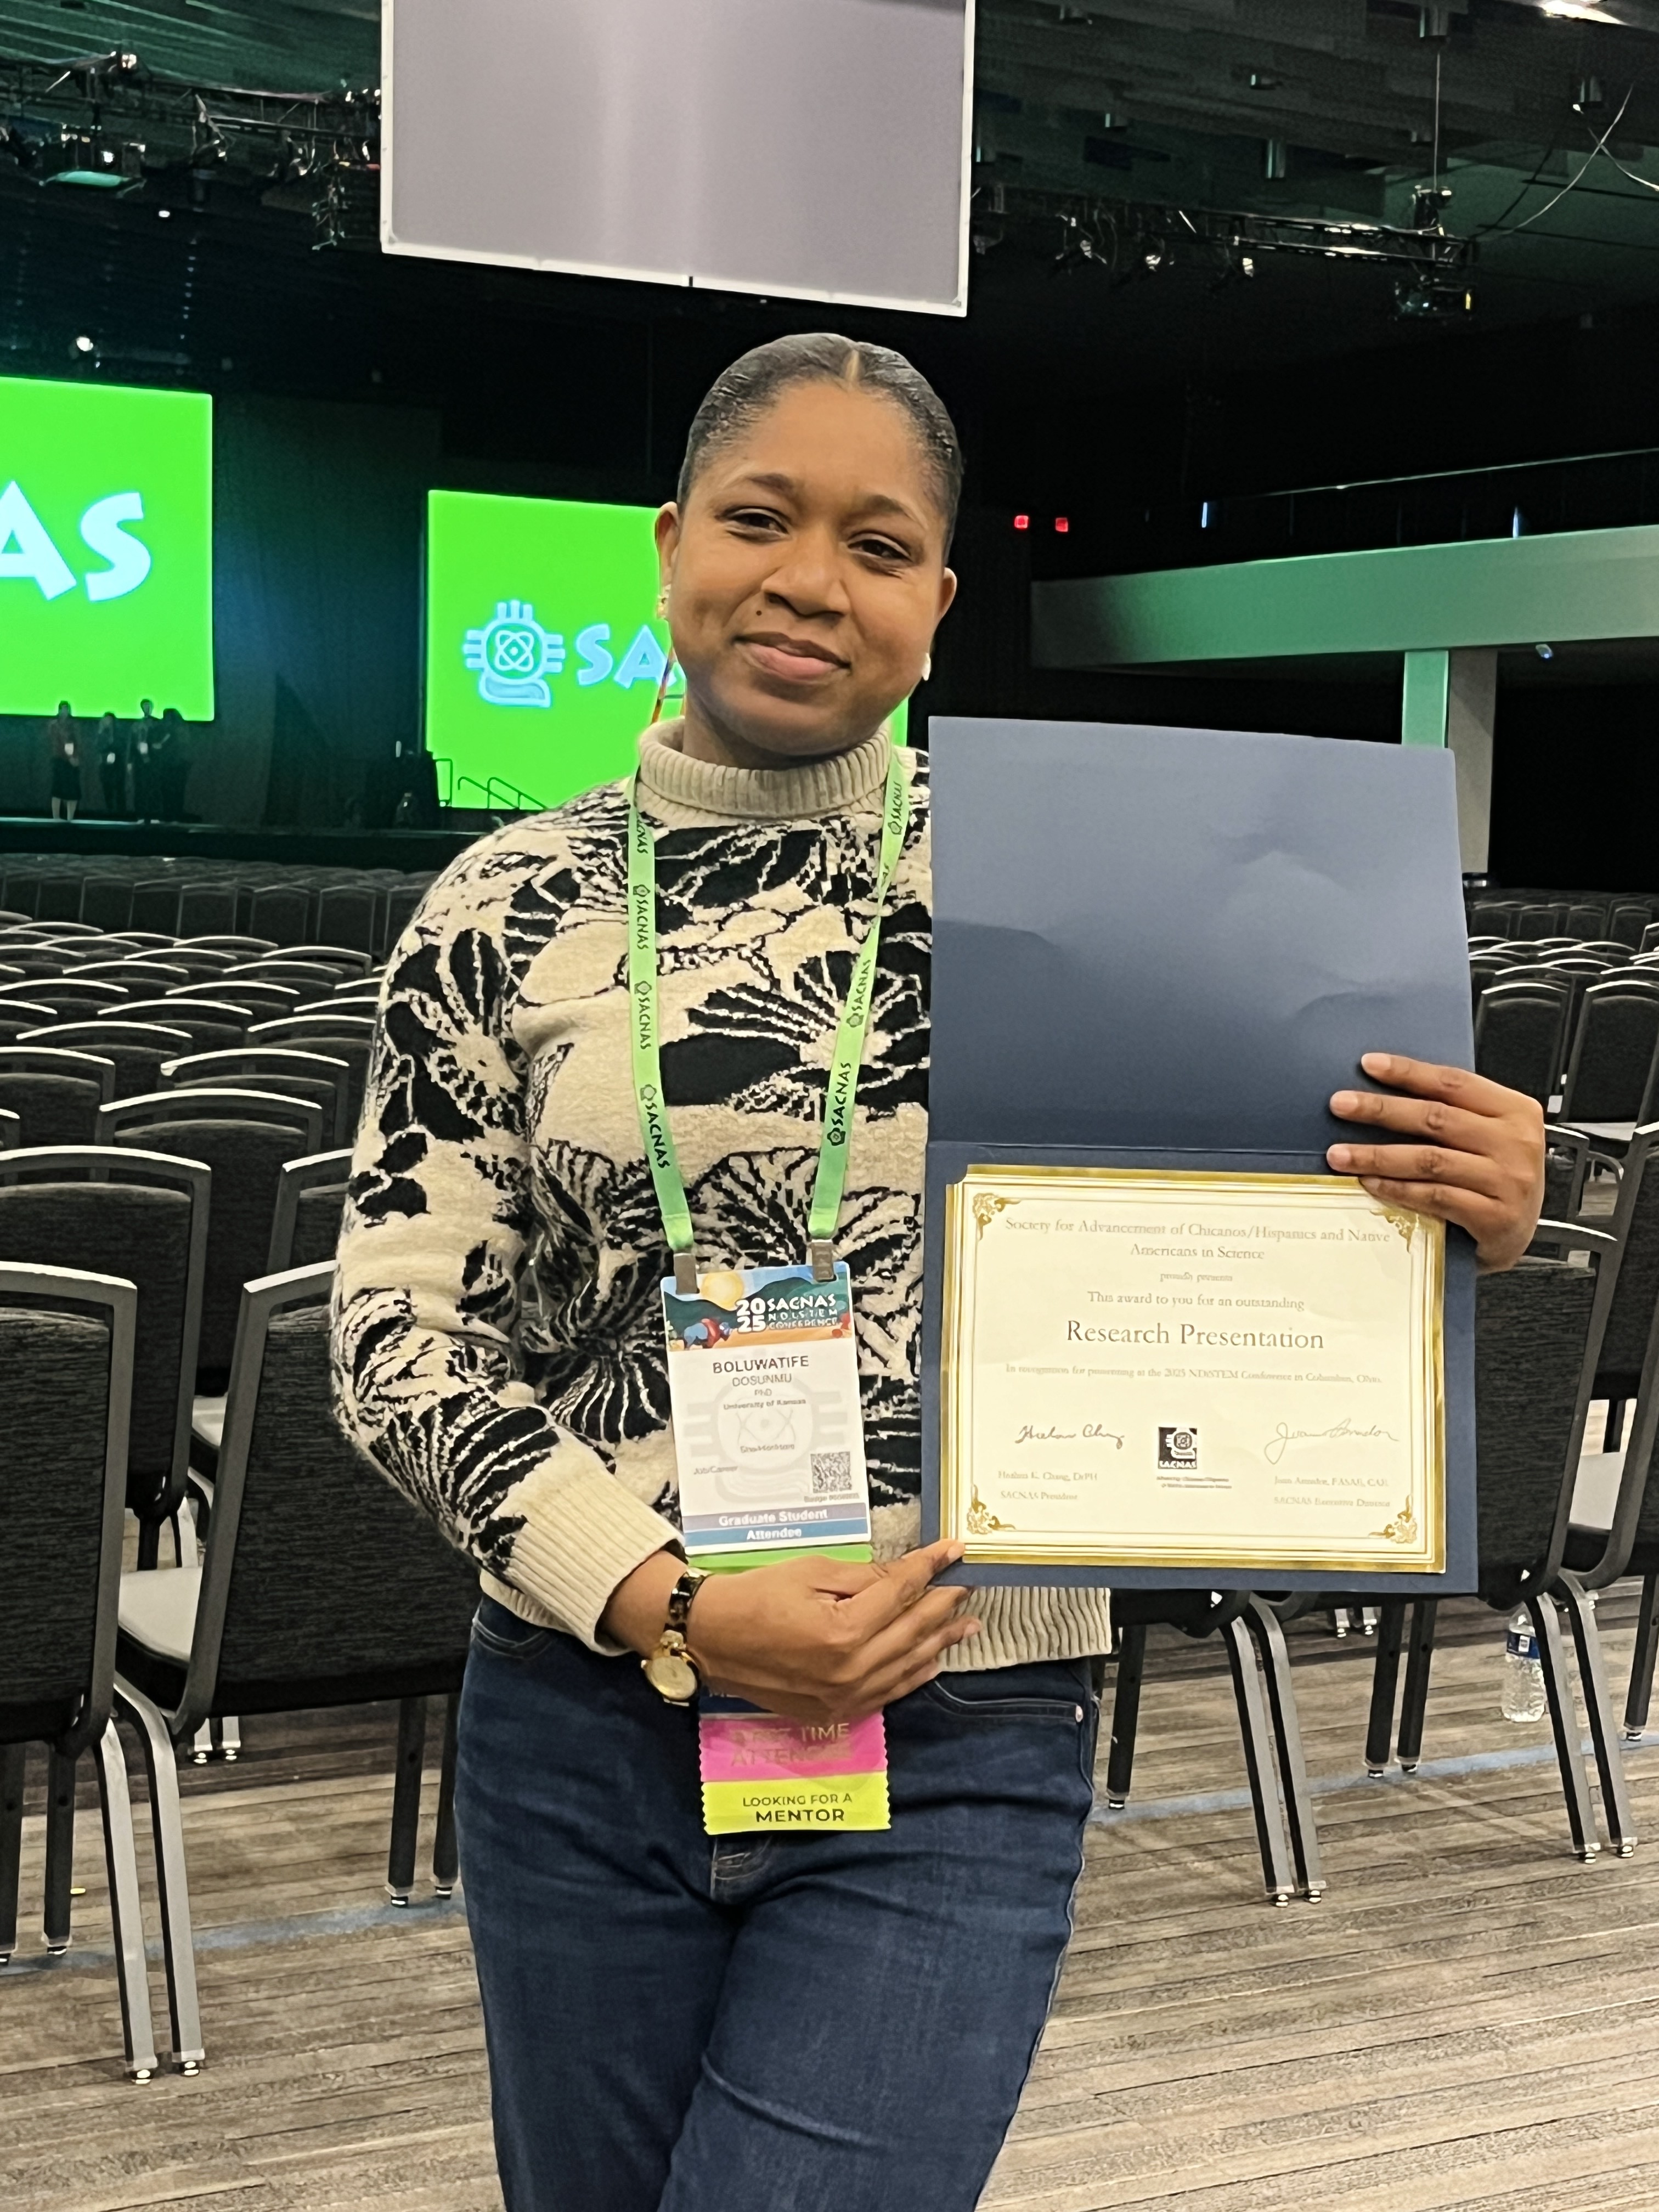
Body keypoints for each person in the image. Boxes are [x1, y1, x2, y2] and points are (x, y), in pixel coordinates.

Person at [330, 334, 1545, 2212]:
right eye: (759, 518)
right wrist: (661, 1600)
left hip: (967, 1720)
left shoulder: (1103, 901)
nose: (810, 577)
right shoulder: (502, 908)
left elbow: (1269, 1216)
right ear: (666, 548)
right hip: (584, 1726)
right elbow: (394, 1331)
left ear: (938, 602)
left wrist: (1457, 1199)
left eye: (877, 544)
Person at [45, 699, 81, 821]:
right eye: (63, 709)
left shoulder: (74, 724)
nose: (65, 712)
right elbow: (58, 744)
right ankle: (56, 817)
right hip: (59, 760)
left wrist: (75, 758)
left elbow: (76, 742)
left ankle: (70, 817)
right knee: (57, 790)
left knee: (72, 791)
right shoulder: (54, 725)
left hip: (72, 761)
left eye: (67, 709)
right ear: (59, 710)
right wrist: (69, 757)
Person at [129, 697, 162, 820]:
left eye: (149, 706)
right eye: (145, 706)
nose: (147, 708)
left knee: (154, 787)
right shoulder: (137, 725)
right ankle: (141, 814)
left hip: (154, 761)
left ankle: (154, 814)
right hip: (140, 762)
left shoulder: (157, 724)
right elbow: (132, 744)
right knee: (140, 788)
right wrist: (130, 761)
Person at [94, 712, 126, 820]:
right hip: (105, 766)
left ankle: (121, 814)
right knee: (107, 790)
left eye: (109, 720)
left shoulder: (119, 732)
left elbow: (122, 747)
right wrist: (101, 732)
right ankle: (110, 812)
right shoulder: (102, 733)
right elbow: (98, 747)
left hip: (118, 766)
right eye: (105, 720)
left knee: (119, 790)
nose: (107, 722)